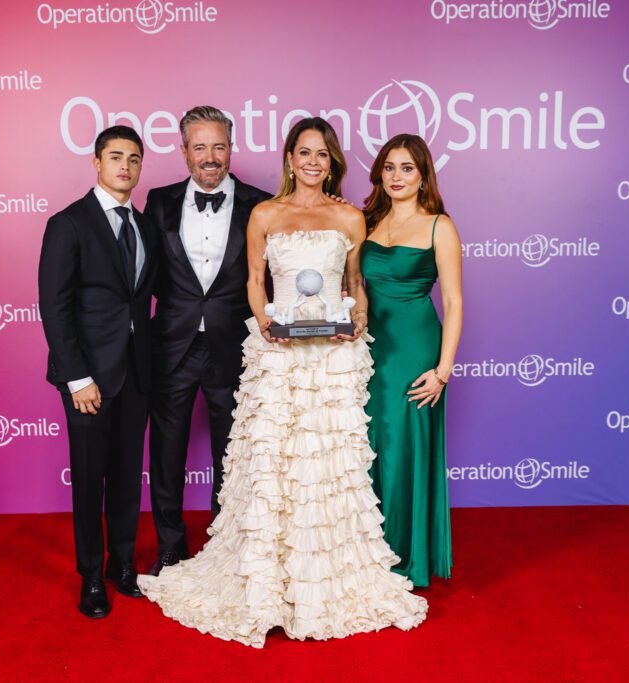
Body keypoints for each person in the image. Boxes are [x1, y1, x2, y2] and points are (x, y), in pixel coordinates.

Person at [138, 117, 427, 647]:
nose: (313, 162)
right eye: (303, 152)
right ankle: (260, 574)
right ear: (289, 158)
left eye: (322, 154)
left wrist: (357, 317)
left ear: (331, 160)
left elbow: (355, 285)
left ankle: (327, 575)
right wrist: (268, 323)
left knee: (325, 464)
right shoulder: (264, 213)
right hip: (279, 357)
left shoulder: (350, 217)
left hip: (332, 362)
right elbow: (254, 282)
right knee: (273, 464)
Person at [144, 106, 271, 576]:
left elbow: (273, 278)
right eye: (200, 147)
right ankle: (170, 548)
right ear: (184, 152)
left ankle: (225, 548)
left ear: (231, 148)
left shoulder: (261, 203)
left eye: (219, 146)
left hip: (234, 346)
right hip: (171, 345)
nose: (210, 157)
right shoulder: (158, 201)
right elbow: (146, 275)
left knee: (233, 455)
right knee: (166, 452)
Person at [38, 125, 159, 618]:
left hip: (136, 373)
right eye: (115, 157)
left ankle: (122, 565)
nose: (125, 166)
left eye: (133, 158)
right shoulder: (69, 223)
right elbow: (54, 305)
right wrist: (76, 377)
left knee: (129, 477)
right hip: (87, 378)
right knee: (90, 479)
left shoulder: (145, 224)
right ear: (96, 162)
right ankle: (90, 575)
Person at [360, 133, 463, 588]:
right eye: (389, 167)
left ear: (423, 176)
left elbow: (455, 303)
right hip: (366, 351)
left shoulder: (440, 225)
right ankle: (363, 551)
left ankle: (402, 556)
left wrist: (443, 371)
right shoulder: (365, 220)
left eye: (407, 168)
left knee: (403, 447)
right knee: (364, 447)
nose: (396, 176)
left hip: (415, 350)